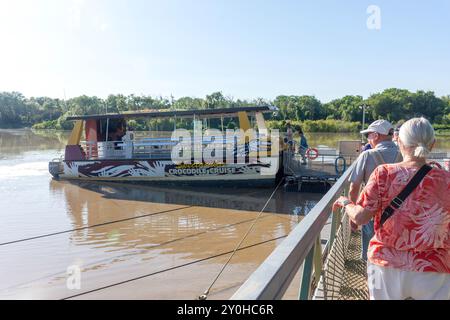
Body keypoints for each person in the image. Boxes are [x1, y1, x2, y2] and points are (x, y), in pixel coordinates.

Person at [334, 117, 449, 299]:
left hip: (384, 265)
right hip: (435, 269)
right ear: (433, 144)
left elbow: (361, 218)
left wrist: (346, 202)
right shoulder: (446, 179)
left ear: (399, 141)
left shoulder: (384, 173)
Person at [348, 119, 402, 261]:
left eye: (369, 135)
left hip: (370, 213)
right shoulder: (403, 155)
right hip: (398, 213)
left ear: (376, 135)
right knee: (392, 253)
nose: (368, 139)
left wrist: (353, 216)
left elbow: (354, 187)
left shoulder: (367, 155)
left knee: (370, 253)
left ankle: (370, 278)